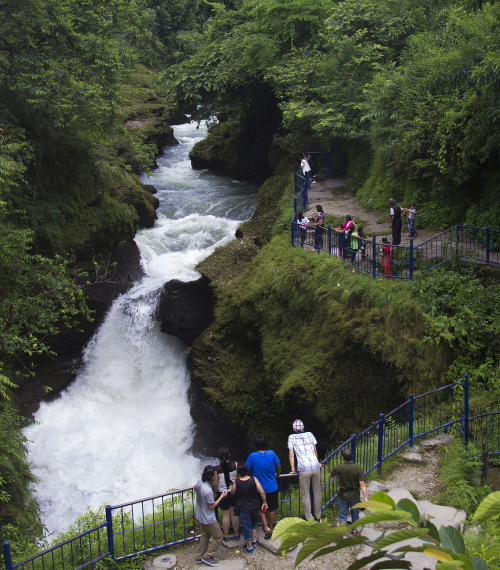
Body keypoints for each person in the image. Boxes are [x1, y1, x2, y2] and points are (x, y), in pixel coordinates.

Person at [246, 434, 281, 540]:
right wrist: (278, 475)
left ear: (255, 445)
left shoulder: (252, 456)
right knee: (272, 508)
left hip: (259, 489)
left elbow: (245, 468)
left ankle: (266, 528)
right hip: (272, 486)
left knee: (261, 508)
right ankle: (271, 527)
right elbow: (278, 466)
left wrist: (249, 477)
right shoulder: (272, 453)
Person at [288, 419, 323, 522]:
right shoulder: (310, 434)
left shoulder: (291, 437)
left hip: (304, 468)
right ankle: (318, 517)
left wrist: (293, 469)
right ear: (303, 427)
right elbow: (314, 450)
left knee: (306, 495)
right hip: (315, 466)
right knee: (317, 493)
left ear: (294, 428)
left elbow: (291, 454)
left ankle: (309, 518)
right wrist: (317, 462)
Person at [231, 462, 268, 555]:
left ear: (238, 472)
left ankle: (250, 547)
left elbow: (232, 493)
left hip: (244, 509)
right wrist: (264, 502)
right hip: (255, 506)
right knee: (254, 523)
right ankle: (254, 540)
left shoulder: (237, 482)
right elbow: (262, 492)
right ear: (247, 470)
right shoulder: (253, 479)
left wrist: (236, 480)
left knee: (246, 527)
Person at [329, 448, 368, 535]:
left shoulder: (339, 467)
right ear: (352, 457)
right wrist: (365, 497)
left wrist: (338, 476)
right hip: (354, 495)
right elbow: (362, 484)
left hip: (343, 494)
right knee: (355, 513)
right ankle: (354, 531)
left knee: (343, 514)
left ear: (342, 458)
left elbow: (330, 475)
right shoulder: (358, 468)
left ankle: (344, 533)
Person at [195, 465, 226, 567]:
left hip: (200, 514)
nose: (217, 476)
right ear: (212, 477)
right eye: (216, 475)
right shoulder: (208, 490)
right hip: (208, 518)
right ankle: (208, 556)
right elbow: (212, 506)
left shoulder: (200, 481)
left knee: (205, 535)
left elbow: (195, 488)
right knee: (218, 536)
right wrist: (221, 497)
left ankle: (199, 556)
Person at [214, 447, 240, 541]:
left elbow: (215, 483)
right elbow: (239, 475)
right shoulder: (235, 465)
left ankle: (226, 535)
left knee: (225, 515)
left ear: (218, 456)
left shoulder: (216, 469)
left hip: (222, 494)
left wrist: (215, 493)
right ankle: (236, 534)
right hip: (233, 492)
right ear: (229, 455)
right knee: (234, 514)